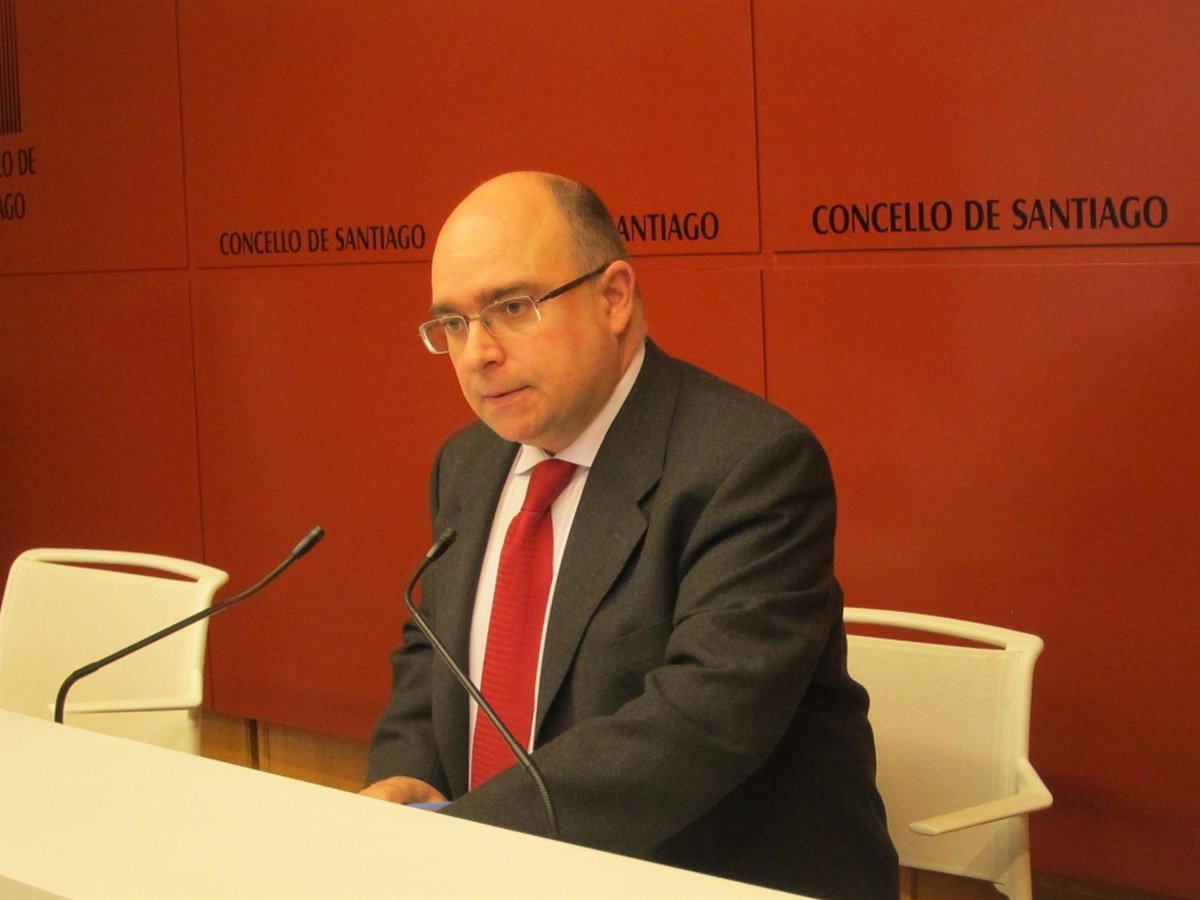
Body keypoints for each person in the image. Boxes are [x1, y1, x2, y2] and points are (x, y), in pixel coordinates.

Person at [362, 171, 898, 898]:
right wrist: (407, 775)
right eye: (453, 323)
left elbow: (701, 723)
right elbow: (433, 648)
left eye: (511, 308)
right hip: (500, 867)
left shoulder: (749, 464)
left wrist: (464, 838)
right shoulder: (467, 463)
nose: (476, 352)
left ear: (613, 297)